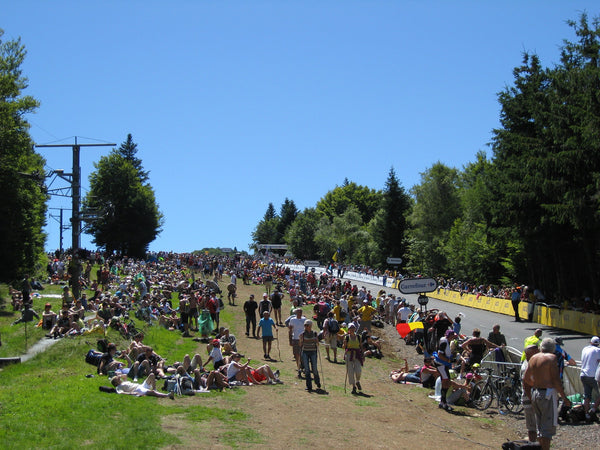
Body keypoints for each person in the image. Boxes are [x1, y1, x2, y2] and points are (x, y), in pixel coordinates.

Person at [523, 338, 571, 450]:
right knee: (547, 428)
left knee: (540, 427)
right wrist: (564, 397)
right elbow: (556, 380)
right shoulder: (551, 358)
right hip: (547, 393)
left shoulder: (533, 358)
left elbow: (526, 378)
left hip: (536, 391)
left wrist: (536, 384)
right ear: (552, 348)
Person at [434, 329, 457, 411]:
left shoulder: (445, 341)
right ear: (449, 336)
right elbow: (440, 354)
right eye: (452, 336)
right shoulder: (444, 342)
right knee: (446, 381)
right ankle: (443, 402)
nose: (453, 337)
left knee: (446, 381)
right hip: (441, 364)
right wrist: (449, 361)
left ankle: (443, 402)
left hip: (444, 364)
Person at [521, 344, 540, 443]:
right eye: (536, 352)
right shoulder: (527, 366)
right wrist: (532, 399)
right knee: (532, 424)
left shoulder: (531, 363)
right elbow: (526, 385)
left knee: (537, 424)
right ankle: (533, 443)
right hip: (529, 398)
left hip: (533, 397)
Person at [580, 336, 600, 420]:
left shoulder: (585, 349)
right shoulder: (597, 351)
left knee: (587, 396)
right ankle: (593, 409)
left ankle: (586, 414)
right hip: (592, 375)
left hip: (583, 374)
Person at [299, 320, 321, 392]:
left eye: (307, 325)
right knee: (307, 369)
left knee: (314, 368)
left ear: (310, 326)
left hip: (313, 352)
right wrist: (300, 340)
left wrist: (316, 342)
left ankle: (317, 382)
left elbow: (317, 343)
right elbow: (300, 344)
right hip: (305, 352)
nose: (305, 327)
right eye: (305, 325)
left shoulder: (314, 333)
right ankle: (309, 386)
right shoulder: (302, 334)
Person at [343, 323, 364, 394]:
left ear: (355, 329)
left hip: (357, 355)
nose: (352, 329)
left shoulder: (358, 337)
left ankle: (357, 381)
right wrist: (344, 343)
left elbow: (361, 346)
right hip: (349, 355)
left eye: (353, 328)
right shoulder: (347, 337)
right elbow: (344, 347)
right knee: (350, 371)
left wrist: (363, 355)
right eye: (350, 328)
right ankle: (353, 386)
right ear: (348, 329)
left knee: (358, 371)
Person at [288, 308, 307, 377]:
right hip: (295, 338)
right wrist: (290, 340)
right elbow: (290, 330)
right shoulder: (293, 320)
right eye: (298, 312)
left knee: (303, 354)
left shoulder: (304, 320)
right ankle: (299, 368)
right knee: (297, 354)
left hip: (303, 339)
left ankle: (303, 366)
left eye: (301, 312)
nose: (300, 313)